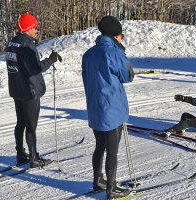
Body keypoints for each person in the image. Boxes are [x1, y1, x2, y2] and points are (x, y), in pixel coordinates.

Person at [82, 16, 134, 199]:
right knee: (112, 150)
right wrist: (122, 54)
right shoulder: (113, 52)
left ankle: (97, 182)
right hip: (111, 109)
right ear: (115, 36)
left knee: (100, 145)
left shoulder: (89, 54)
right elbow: (128, 75)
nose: (122, 39)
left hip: (95, 108)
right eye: (121, 36)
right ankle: (111, 189)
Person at [6, 13, 60, 168]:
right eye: (34, 27)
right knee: (31, 126)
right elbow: (35, 69)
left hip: (17, 90)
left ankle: (20, 153)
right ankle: (33, 158)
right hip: (29, 91)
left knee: (21, 123)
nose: (37, 29)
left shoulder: (13, 42)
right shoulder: (27, 45)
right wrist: (50, 60)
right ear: (28, 29)